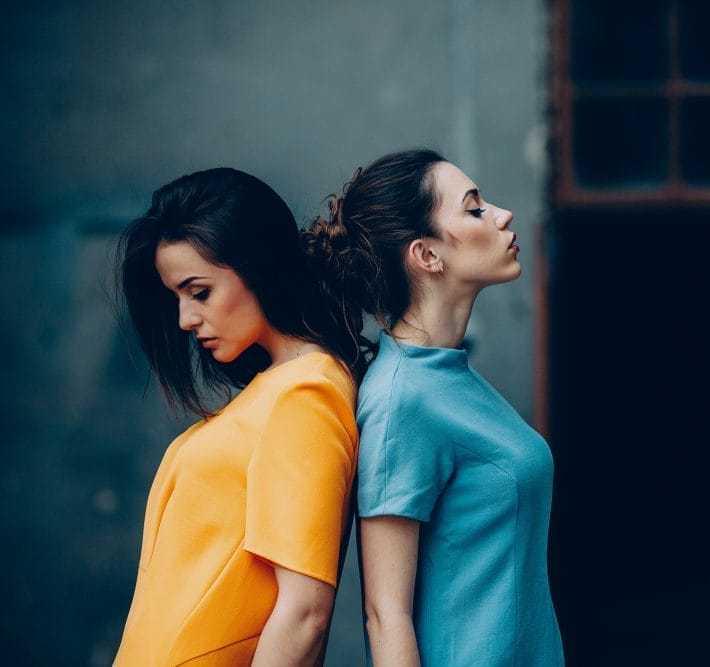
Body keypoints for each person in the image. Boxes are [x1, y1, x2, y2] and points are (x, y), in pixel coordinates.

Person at [113, 167, 369, 665]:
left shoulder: (307, 393)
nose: (186, 320)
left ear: (258, 267)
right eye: (177, 298)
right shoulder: (273, 389)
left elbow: (304, 614)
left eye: (199, 291)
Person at [326, 148, 564, 666]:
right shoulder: (400, 400)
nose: (502, 215)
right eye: (475, 208)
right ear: (427, 256)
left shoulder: (451, 376)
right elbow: (385, 614)